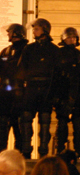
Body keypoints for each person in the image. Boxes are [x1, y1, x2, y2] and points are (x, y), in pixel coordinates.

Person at [17, 18, 60, 159]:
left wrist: (55, 94)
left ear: (44, 30)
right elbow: (21, 69)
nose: (34, 31)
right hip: (31, 88)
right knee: (26, 118)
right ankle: (26, 149)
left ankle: (43, 151)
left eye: (36, 28)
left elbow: (58, 73)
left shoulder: (54, 50)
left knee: (45, 120)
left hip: (47, 88)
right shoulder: (29, 48)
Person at [54, 27, 80, 158]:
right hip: (62, 92)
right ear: (63, 39)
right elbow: (53, 77)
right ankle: (60, 150)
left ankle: (78, 151)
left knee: (77, 125)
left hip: (78, 93)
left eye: (73, 37)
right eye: (69, 37)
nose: (71, 39)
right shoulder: (58, 54)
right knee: (62, 125)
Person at [0, 24, 27, 151]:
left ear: (16, 33)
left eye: (10, 32)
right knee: (2, 128)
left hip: (21, 96)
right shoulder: (5, 51)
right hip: (5, 96)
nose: (8, 34)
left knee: (19, 129)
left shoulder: (27, 50)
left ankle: (20, 155)